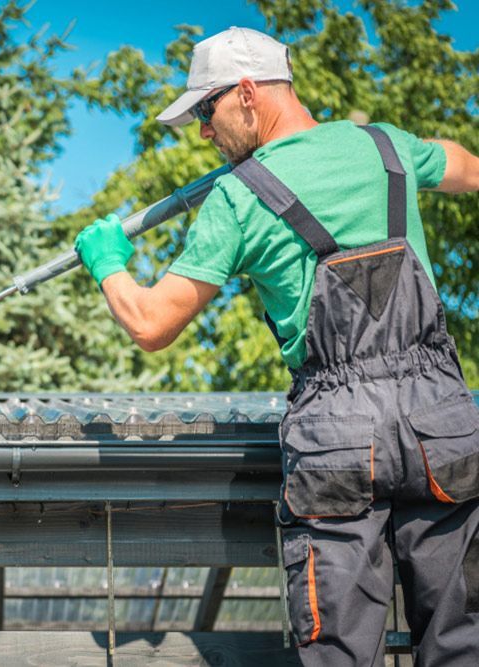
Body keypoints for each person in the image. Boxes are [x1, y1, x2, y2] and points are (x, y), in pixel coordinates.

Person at [75, 26, 479, 666]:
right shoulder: (387, 147)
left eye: (206, 112)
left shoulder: (238, 197)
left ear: (245, 93)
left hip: (339, 436)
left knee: (338, 654)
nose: (204, 133)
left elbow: (151, 324)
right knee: (467, 643)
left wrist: (107, 264)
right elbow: (467, 168)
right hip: (442, 419)